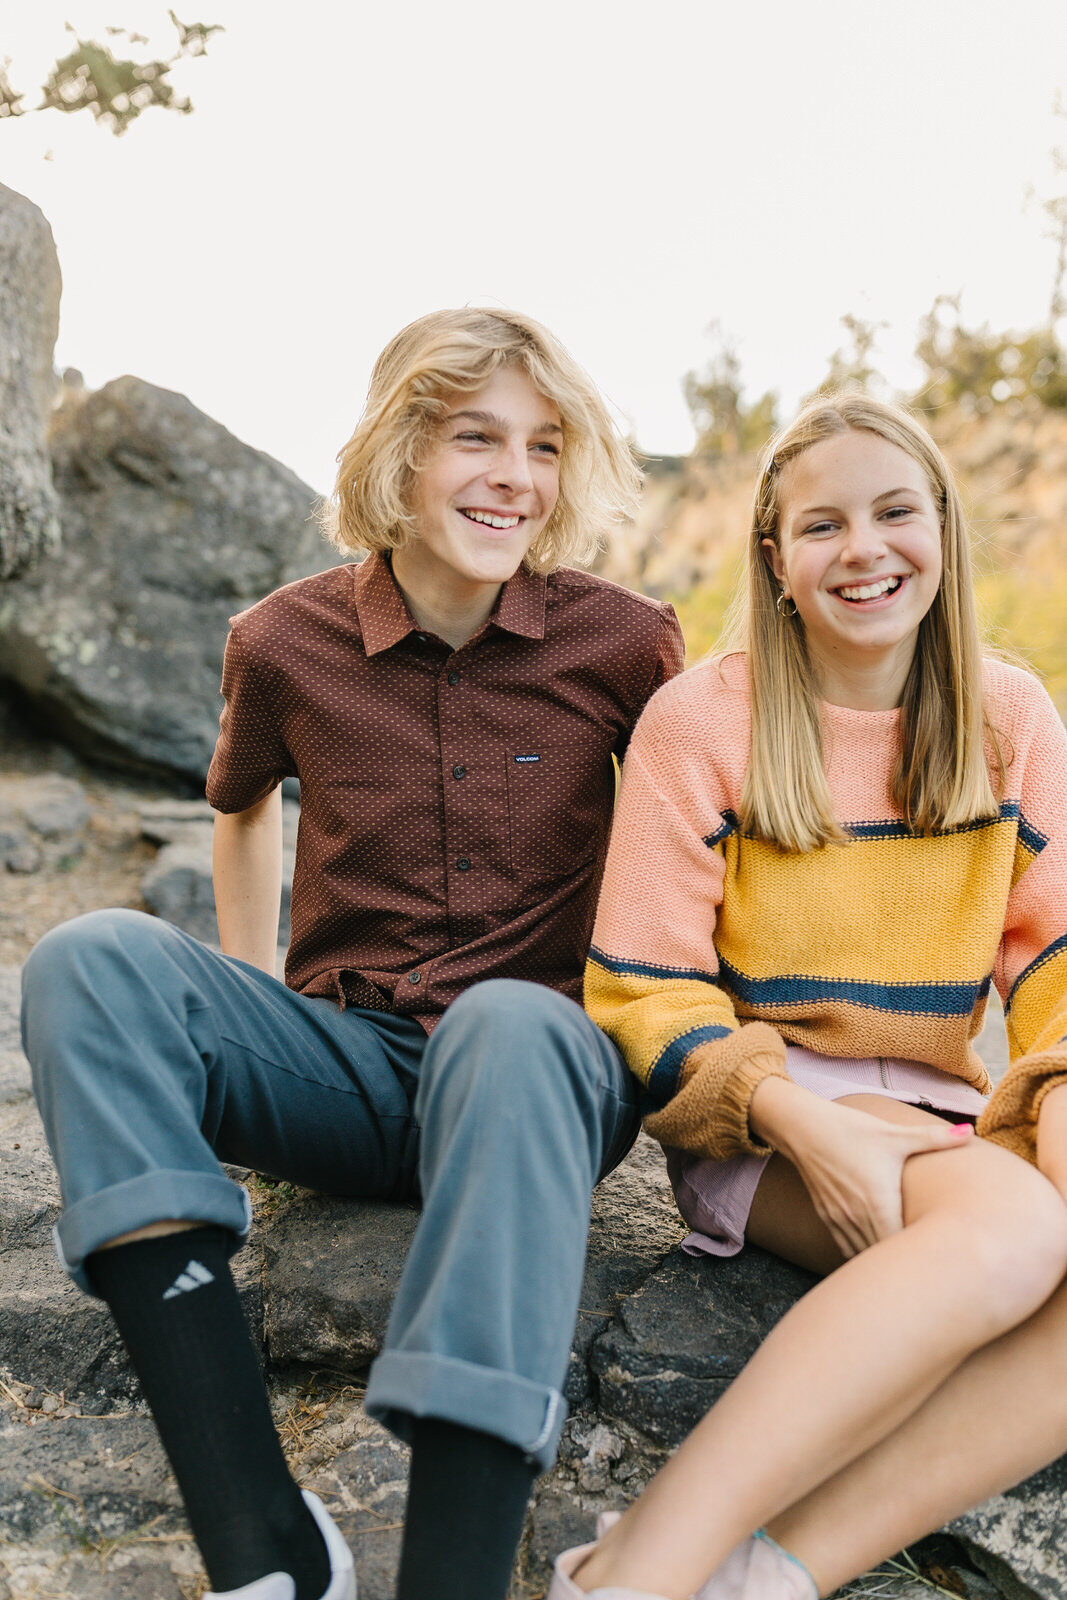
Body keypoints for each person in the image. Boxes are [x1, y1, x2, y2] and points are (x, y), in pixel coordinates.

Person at [21, 307, 685, 1600]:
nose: (513, 475)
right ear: (398, 450)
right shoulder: (283, 640)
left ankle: (450, 1575)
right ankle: (264, 1551)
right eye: (473, 437)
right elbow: (238, 808)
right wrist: (249, 1007)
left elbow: (704, 834)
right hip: (353, 1065)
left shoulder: (625, 642)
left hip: (536, 1078)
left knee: (507, 1024)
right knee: (85, 960)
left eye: (543, 447)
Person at [550, 393, 1067, 1600]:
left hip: (943, 1119)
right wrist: (805, 1128)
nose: (865, 549)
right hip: (767, 1116)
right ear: (775, 561)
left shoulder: (1007, 717)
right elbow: (643, 994)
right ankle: (636, 1570)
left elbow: (1054, 963)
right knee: (1015, 1231)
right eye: (821, 525)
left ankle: (771, 1576)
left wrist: (1052, 1096)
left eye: (894, 511)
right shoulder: (702, 722)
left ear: (940, 527)